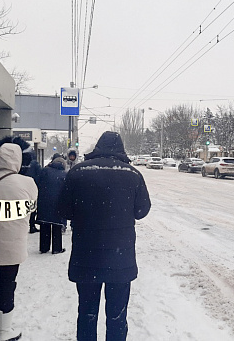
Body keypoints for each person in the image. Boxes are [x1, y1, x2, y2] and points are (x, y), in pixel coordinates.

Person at [58, 131, 151, 341]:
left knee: (87, 313)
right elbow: (142, 210)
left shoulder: (78, 173)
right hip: (120, 259)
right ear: (121, 149)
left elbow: (63, 211)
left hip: (86, 256)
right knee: (117, 315)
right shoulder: (133, 175)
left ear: (98, 146)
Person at [0, 142, 38, 341]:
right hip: (12, 246)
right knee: (7, 285)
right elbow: (32, 208)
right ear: (18, 160)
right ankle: (5, 331)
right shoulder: (27, 183)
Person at [37, 157, 67, 254]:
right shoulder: (64, 174)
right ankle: (56, 248)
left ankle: (44, 247)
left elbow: (38, 183)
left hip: (44, 201)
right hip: (57, 203)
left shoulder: (45, 171)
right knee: (56, 226)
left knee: (45, 224)